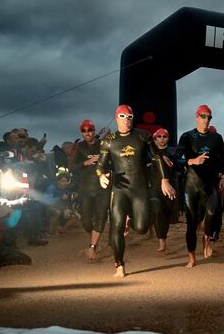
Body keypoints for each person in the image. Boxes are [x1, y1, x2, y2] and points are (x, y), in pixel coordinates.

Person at [97, 105, 175, 277]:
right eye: (123, 116)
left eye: (130, 116)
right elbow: (100, 166)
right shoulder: (109, 140)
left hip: (139, 188)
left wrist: (165, 180)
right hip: (119, 189)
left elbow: (157, 157)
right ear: (117, 118)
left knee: (141, 228)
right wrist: (101, 175)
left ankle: (130, 219)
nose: (126, 119)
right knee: (116, 227)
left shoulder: (143, 135)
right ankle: (119, 265)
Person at [175, 105, 224, 267]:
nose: (206, 120)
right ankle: (191, 257)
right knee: (191, 223)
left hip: (210, 184)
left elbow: (222, 160)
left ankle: (207, 237)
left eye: (209, 117)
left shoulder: (216, 138)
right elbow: (176, 158)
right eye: (203, 116)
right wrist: (191, 161)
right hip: (192, 185)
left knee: (212, 213)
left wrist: (222, 176)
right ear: (197, 117)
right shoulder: (187, 136)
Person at [70, 119, 110, 261]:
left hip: (103, 188)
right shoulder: (79, 147)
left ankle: (92, 246)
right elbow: (71, 167)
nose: (87, 133)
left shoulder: (102, 144)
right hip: (86, 188)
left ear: (94, 131)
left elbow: (112, 161)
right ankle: (94, 237)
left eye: (90, 130)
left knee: (101, 217)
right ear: (81, 132)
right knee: (86, 221)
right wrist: (87, 162)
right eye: (84, 130)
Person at [149, 127, 178, 253]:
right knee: (157, 210)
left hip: (170, 187)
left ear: (168, 138)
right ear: (155, 139)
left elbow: (181, 164)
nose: (162, 139)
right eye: (159, 137)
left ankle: (163, 237)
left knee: (166, 215)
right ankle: (161, 241)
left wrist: (172, 162)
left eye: (164, 136)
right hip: (154, 187)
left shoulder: (172, 151)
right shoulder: (150, 152)